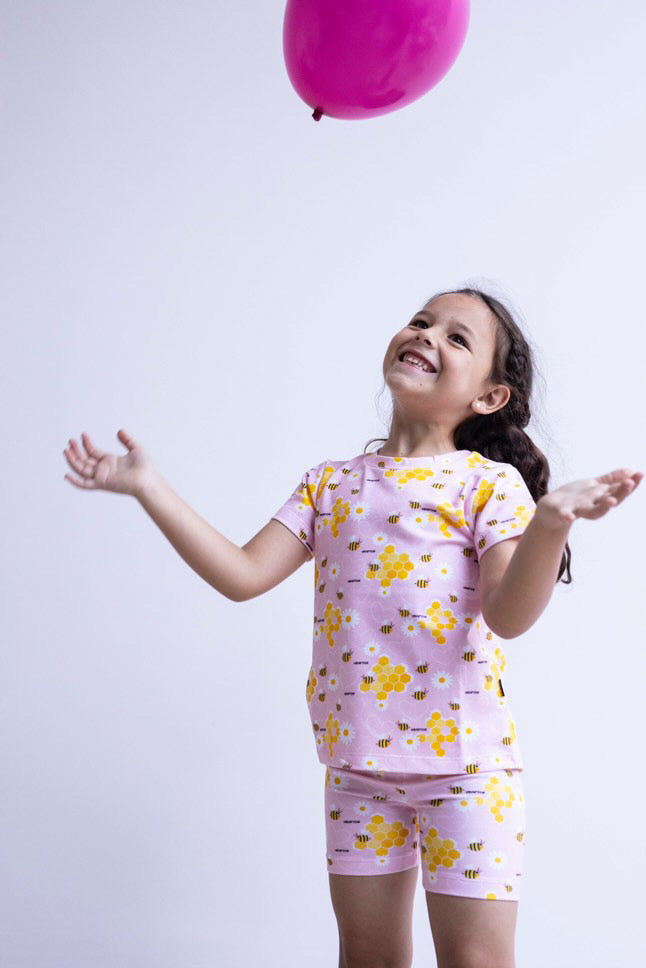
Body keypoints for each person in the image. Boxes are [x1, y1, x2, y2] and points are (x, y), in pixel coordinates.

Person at [63, 287, 642, 968]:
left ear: (490, 396)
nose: (426, 335)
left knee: (477, 960)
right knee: (367, 956)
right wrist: (149, 487)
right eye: (421, 321)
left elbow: (508, 616)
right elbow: (242, 575)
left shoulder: (487, 486)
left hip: (468, 772)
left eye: (457, 338)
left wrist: (549, 524)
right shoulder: (329, 485)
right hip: (357, 772)